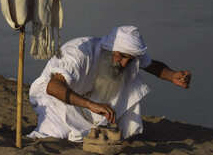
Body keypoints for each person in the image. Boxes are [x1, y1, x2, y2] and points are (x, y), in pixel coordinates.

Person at [27, 25, 191, 142]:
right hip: (52, 96)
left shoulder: (126, 57)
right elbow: (53, 87)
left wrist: (172, 75)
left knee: (132, 77)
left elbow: (151, 65)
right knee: (58, 133)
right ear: (108, 48)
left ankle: (125, 131)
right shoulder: (78, 52)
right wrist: (91, 105)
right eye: (121, 56)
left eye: (129, 58)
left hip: (85, 95)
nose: (124, 62)